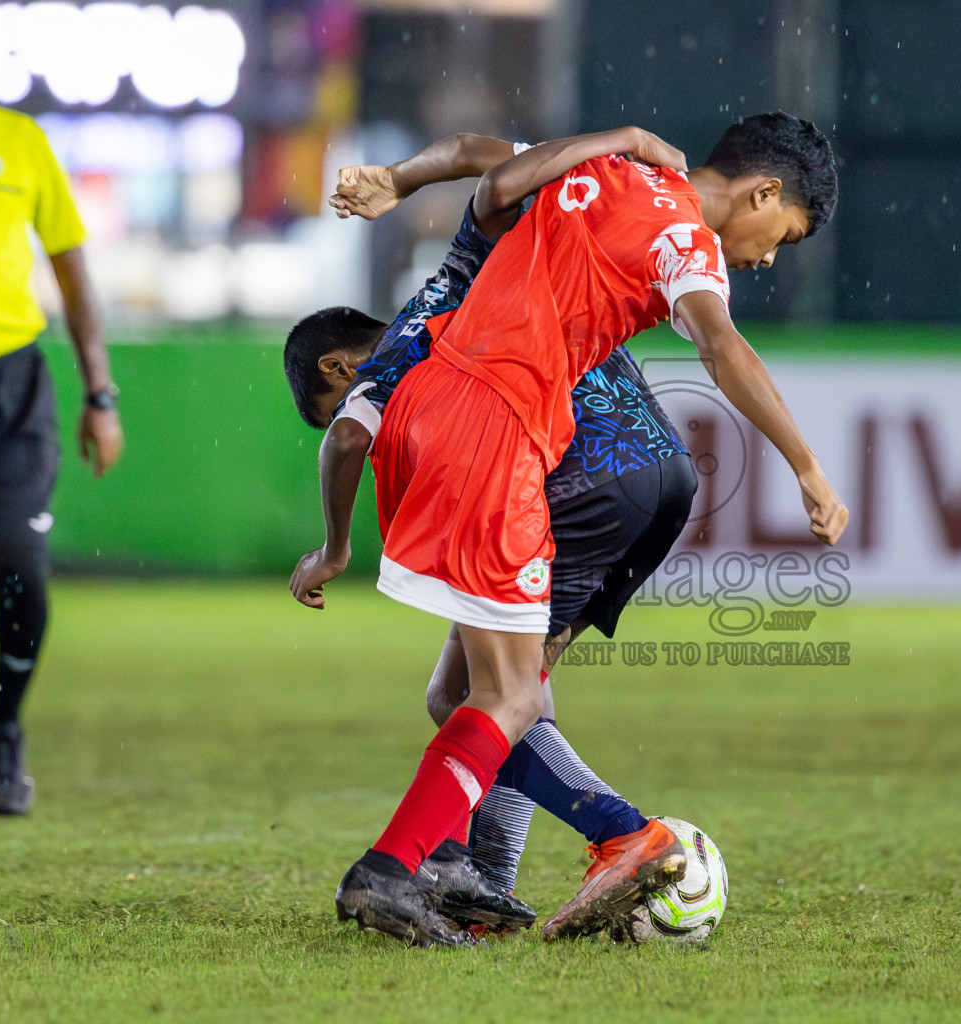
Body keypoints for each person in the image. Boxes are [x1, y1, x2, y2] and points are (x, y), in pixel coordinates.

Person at [300, 111, 847, 947]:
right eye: (785, 233)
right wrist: (806, 464)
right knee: (511, 694)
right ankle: (601, 839)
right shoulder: (687, 245)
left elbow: (488, 175)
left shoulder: (604, 173)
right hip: (507, 434)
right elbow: (720, 345)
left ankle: (448, 865)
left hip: (435, 410)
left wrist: (404, 177)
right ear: (762, 191)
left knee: (475, 693)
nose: (769, 254)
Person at [283, 127, 699, 935]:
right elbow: (487, 152)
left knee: (492, 696)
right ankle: (474, 878)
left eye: (326, 400)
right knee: (492, 693)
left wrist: (334, 548)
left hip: (574, 484)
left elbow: (346, 438)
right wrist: (402, 179)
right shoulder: (482, 257)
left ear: (337, 371)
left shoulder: (407, 344)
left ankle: (619, 837)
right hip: (659, 475)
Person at [0, 0, 123, 822]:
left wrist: (101, 395)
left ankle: (4, 727)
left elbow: (74, 276)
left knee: (23, 578)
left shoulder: (23, 143)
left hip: (13, 395)